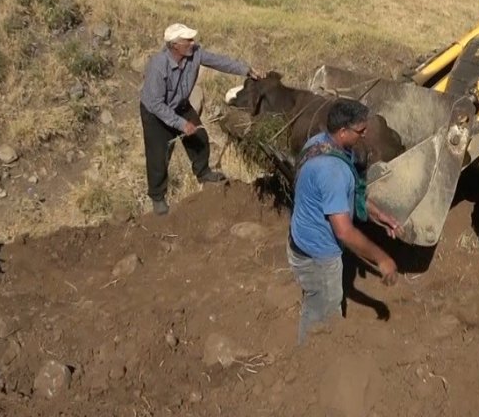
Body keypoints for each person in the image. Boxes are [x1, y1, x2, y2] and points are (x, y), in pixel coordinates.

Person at [287, 98, 400, 343]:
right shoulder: (333, 171)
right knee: (323, 321)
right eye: (361, 131)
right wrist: (382, 258)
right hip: (318, 257)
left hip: (301, 240)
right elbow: (344, 232)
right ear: (342, 131)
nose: (365, 134)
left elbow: (343, 197)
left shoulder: (319, 144)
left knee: (315, 301)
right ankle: (312, 359)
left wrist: (377, 214)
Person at [140, 22, 263, 215]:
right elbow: (157, 105)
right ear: (175, 45)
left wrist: (246, 70)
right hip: (156, 113)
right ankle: (158, 197)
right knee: (159, 155)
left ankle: (203, 173)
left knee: (200, 137)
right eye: (188, 40)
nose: (193, 42)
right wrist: (181, 124)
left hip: (180, 105)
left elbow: (219, 61)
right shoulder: (158, 66)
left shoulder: (195, 53)